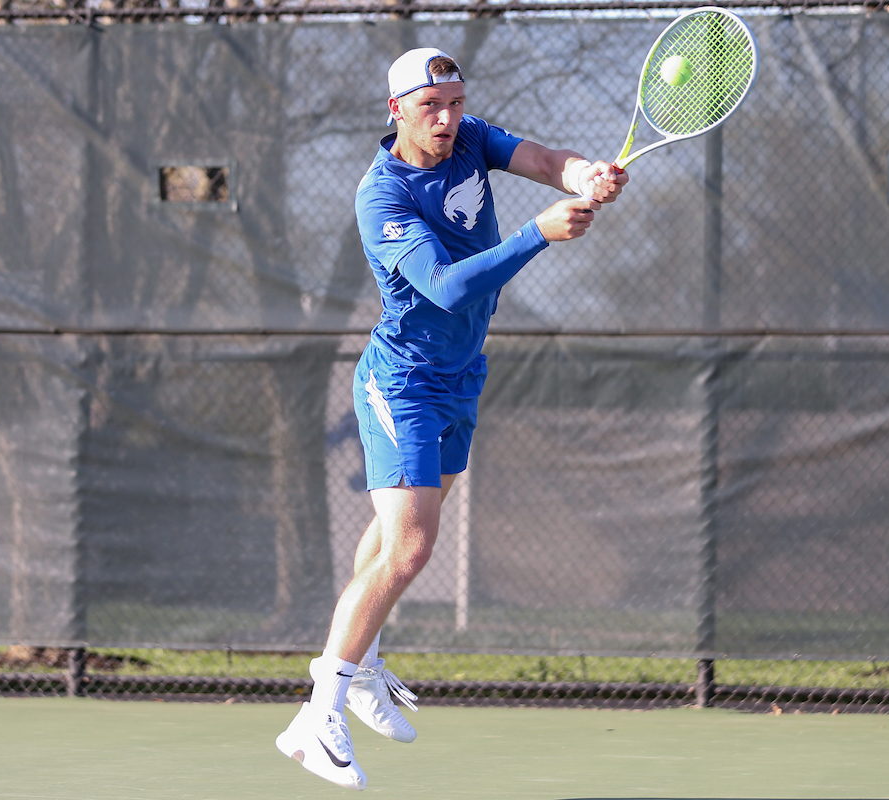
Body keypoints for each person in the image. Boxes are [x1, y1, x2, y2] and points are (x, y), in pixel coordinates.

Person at [275, 47, 627, 790]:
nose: (447, 118)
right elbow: (443, 285)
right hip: (402, 382)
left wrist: (583, 176)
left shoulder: (470, 139)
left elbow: (542, 159)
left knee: (393, 537)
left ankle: (359, 664)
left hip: (461, 375)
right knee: (411, 548)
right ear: (396, 110)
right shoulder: (382, 197)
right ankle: (317, 716)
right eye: (431, 106)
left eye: (456, 102)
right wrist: (537, 234)